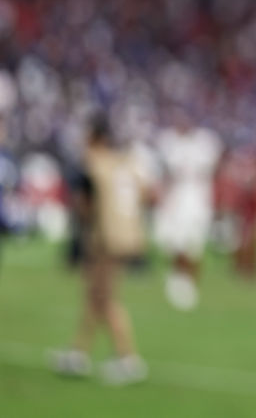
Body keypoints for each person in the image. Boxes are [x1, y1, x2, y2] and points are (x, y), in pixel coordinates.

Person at [50, 115, 149, 384]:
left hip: (104, 237)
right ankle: (78, 353)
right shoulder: (123, 162)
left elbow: (83, 204)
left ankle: (128, 358)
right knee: (95, 296)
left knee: (105, 299)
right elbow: (146, 193)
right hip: (125, 235)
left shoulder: (93, 163)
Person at [152, 106, 223, 310]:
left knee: (195, 244)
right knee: (175, 242)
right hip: (177, 198)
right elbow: (166, 173)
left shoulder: (205, 142)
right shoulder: (170, 142)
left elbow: (212, 169)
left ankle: (190, 283)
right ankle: (178, 280)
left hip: (198, 199)